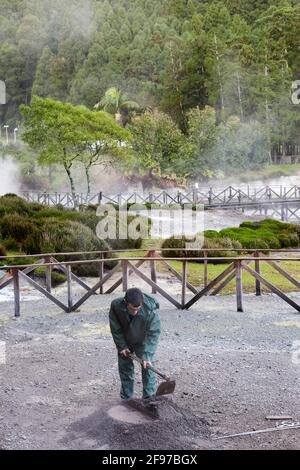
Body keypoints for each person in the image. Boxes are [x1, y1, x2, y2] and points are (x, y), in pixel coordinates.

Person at [109, 287, 161, 400]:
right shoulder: (116, 306)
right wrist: (121, 345)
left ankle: (149, 399)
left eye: (138, 309)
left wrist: (147, 355)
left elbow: (154, 334)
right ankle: (127, 399)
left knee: (148, 367)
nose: (135, 312)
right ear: (125, 302)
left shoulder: (150, 310)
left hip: (143, 340)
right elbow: (115, 327)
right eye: (132, 309)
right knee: (125, 367)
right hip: (125, 339)